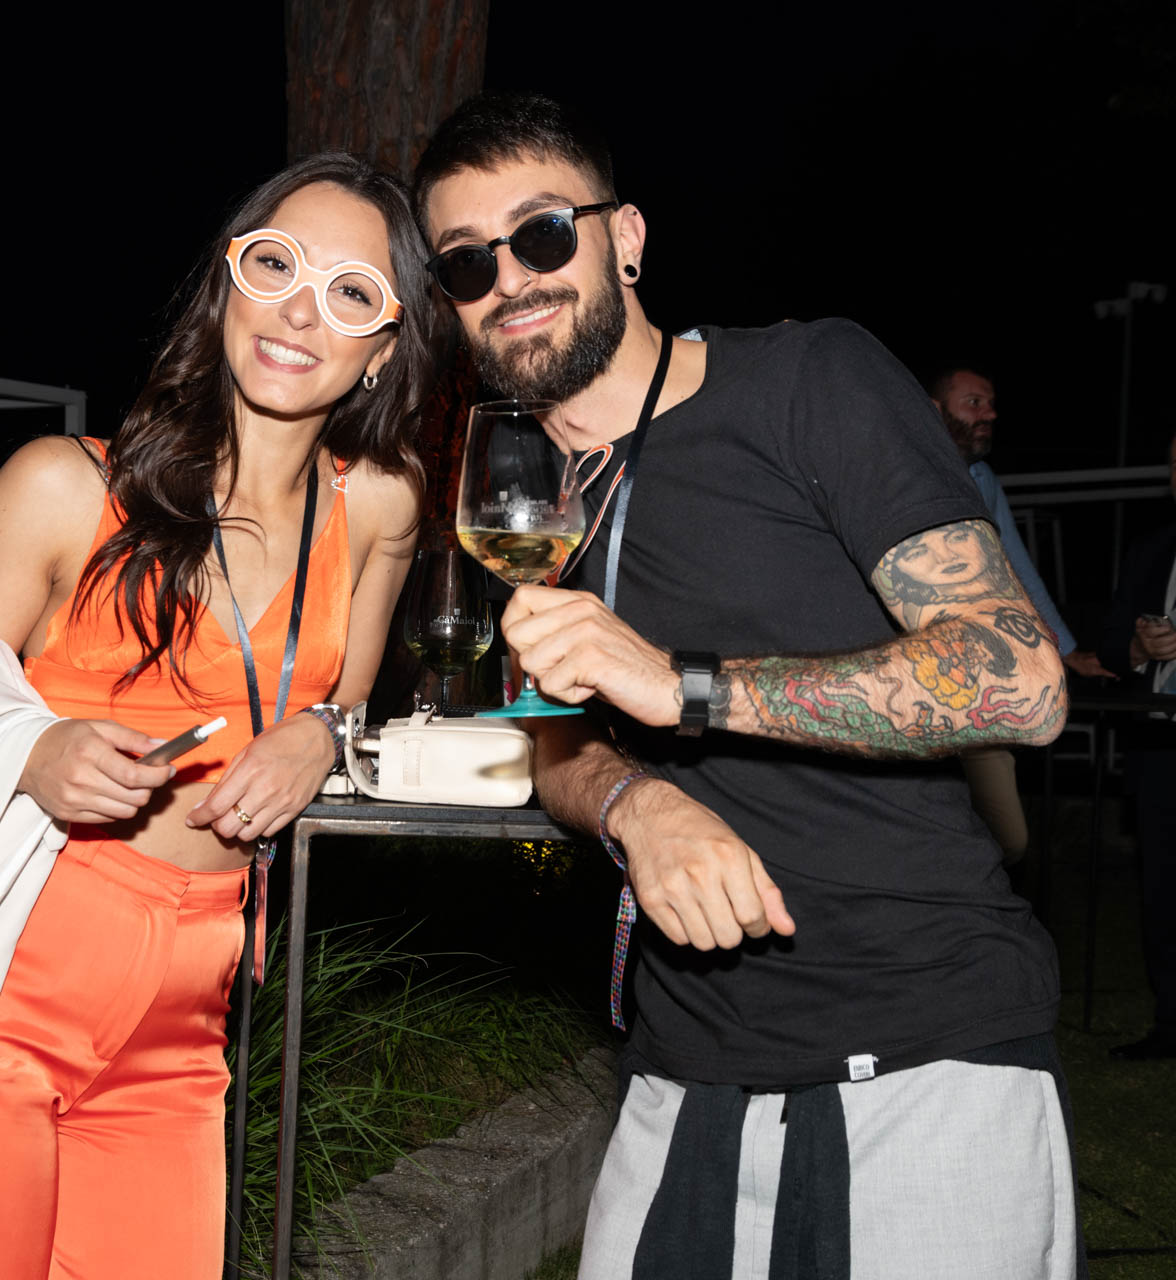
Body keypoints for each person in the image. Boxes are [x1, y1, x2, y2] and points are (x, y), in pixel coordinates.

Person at [414, 93, 1079, 1278]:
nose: (507, 277)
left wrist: (682, 684)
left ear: (624, 237)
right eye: (467, 261)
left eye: (542, 234)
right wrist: (635, 802)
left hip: (923, 1042)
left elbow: (1019, 683)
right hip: (682, 1063)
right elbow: (553, 740)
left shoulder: (805, 379)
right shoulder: (525, 500)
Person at [0, 152, 436, 1279]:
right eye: (277, 264)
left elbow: (349, 698)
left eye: (352, 291)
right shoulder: (63, 487)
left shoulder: (381, 508)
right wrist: (32, 752)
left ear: (383, 348)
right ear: (227, 279)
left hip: (186, 1027)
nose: (302, 310)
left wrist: (318, 734)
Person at [927, 365, 1112, 860]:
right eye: (974, 403)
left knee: (1008, 839)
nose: (989, 413)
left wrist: (1065, 650)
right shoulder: (901, 470)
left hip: (974, 685)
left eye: (991, 404)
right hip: (907, 681)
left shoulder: (983, 480)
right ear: (935, 410)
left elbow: (1017, 568)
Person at [1098, 431, 1176, 1060]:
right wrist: (1136, 648)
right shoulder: (1152, 549)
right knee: (1163, 889)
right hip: (1160, 745)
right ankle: (1171, 1024)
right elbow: (1110, 643)